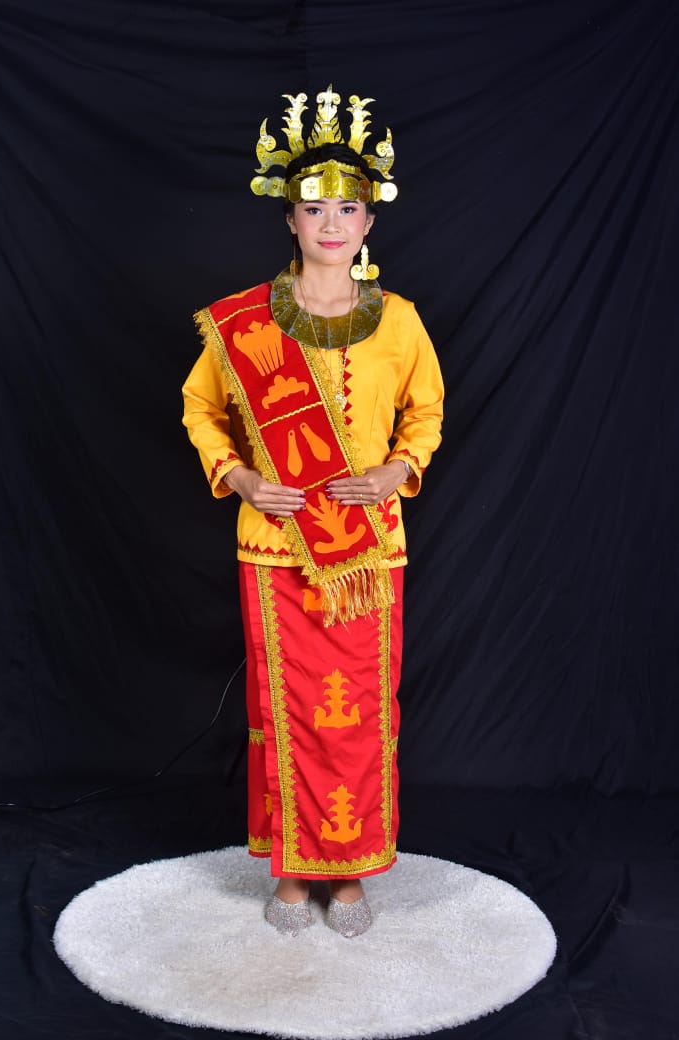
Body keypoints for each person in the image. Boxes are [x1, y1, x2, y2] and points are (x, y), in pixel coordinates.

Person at [182, 86, 443, 937]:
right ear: (290, 218)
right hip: (274, 544)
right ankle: (294, 870)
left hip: (367, 547)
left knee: (361, 712)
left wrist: (398, 468)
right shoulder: (244, 323)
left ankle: (351, 867)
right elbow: (200, 410)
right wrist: (241, 479)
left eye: (348, 208)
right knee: (284, 710)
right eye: (314, 208)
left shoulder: (399, 321)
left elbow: (427, 415)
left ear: (369, 221)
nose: (332, 223)